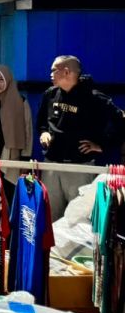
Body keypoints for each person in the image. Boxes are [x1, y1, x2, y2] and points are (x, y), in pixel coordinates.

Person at [39, 55, 120, 217]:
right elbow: (41, 121)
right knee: (51, 218)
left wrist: (102, 145)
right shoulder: (50, 94)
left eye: (54, 70)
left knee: (78, 222)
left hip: (79, 168)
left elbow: (120, 121)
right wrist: (44, 133)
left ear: (67, 72)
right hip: (52, 167)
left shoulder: (94, 98)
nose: (50, 74)